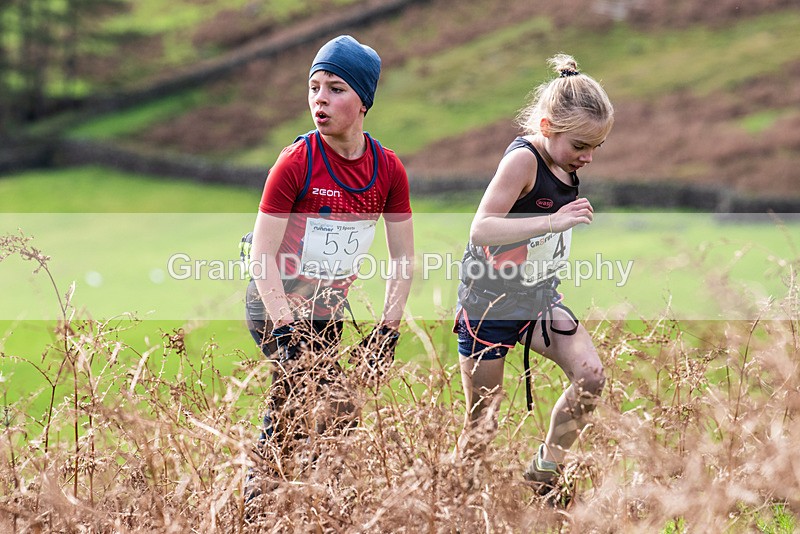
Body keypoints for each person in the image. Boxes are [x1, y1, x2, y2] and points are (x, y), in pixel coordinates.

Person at [243, 35, 414, 472]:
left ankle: (295, 492)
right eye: (314, 87)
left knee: (310, 416)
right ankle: (267, 494)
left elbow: (403, 259)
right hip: (274, 299)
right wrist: (284, 328)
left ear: (364, 102)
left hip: (327, 309)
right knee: (330, 407)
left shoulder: (388, 169)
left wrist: (387, 331)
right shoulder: (296, 162)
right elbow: (261, 254)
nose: (320, 99)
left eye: (336, 89)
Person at [453, 54, 613, 503]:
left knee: (591, 376)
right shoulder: (523, 161)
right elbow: (481, 228)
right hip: (488, 306)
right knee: (482, 425)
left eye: (597, 146)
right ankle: (453, 505)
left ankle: (545, 471)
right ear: (547, 127)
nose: (589, 157)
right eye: (581, 145)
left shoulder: (568, 162)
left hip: (538, 300)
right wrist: (552, 222)